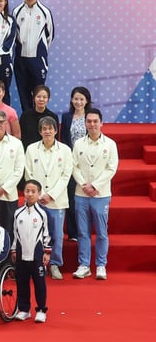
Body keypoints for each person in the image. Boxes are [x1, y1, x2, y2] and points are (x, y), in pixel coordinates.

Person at [71, 108, 118, 280]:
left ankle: (100, 265)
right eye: (89, 121)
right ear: (85, 124)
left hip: (101, 194)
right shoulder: (78, 144)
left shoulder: (110, 144)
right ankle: (84, 265)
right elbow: (73, 166)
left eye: (95, 121)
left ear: (101, 123)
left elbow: (111, 168)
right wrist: (84, 185)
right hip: (81, 193)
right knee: (82, 232)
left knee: (101, 232)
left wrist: (95, 185)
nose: (92, 124)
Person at [24, 116, 73, 279]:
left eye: (50, 128)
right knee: (34, 233)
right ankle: (36, 264)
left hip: (57, 200)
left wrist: (51, 194)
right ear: (40, 131)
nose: (47, 131)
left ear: (56, 130)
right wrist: (38, 195)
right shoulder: (31, 149)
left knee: (57, 234)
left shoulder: (65, 150)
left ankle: (55, 264)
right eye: (44, 129)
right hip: (36, 200)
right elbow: (28, 173)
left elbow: (66, 175)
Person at [11, 180, 51, 322]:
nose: (29, 194)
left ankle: (41, 309)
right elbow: (15, 234)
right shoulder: (17, 213)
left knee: (39, 282)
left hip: (37, 253)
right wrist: (14, 250)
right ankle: (24, 309)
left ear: (39, 194)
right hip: (22, 253)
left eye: (33, 191)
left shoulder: (43, 213)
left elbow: (48, 233)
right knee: (22, 282)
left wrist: (47, 252)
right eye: (27, 191)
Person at [12, 0, 55, 111]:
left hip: (38, 59)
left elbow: (50, 35)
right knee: (23, 94)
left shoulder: (44, 12)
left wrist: (41, 51)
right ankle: (27, 122)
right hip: (21, 59)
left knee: (38, 94)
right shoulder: (16, 11)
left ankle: (40, 122)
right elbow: (14, 35)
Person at [61, 86, 92, 242]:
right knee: (71, 199)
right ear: (71, 100)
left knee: (85, 200)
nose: (78, 102)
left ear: (87, 101)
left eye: (81, 99)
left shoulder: (91, 117)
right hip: (71, 162)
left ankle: (85, 231)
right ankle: (73, 232)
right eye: (75, 99)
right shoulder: (66, 117)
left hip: (87, 162)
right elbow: (64, 139)